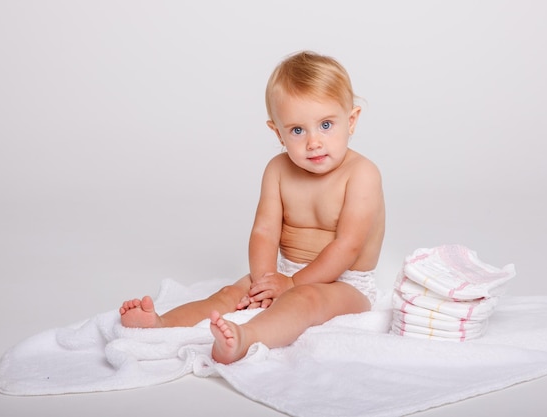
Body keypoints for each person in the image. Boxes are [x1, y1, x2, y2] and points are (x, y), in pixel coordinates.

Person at [119, 51, 385, 365]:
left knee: (306, 299)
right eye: (298, 130)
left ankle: (247, 338)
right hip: (284, 272)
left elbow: (348, 246)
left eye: (326, 125)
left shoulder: (362, 174)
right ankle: (161, 324)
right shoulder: (278, 170)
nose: (313, 142)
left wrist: (292, 285)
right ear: (278, 132)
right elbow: (264, 231)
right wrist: (264, 281)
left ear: (351, 120)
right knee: (230, 294)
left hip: (344, 283)